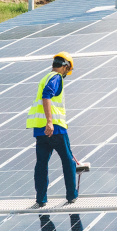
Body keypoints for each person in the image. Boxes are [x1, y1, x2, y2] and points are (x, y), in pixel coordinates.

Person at [27, 52, 78, 207]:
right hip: (54, 128)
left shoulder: (45, 77)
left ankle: (41, 199)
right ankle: (71, 196)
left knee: (41, 164)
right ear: (65, 66)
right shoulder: (55, 78)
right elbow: (46, 96)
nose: (66, 73)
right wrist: (50, 122)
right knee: (68, 161)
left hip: (39, 129)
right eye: (67, 70)